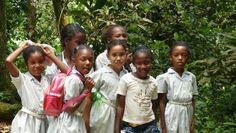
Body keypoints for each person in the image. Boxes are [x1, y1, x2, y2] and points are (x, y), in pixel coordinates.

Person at [5, 41, 68, 133]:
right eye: (33, 62)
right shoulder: (22, 80)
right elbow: (8, 61)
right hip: (27, 123)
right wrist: (22, 47)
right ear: (27, 64)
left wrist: (50, 55)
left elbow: (68, 72)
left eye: (40, 61)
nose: (37, 65)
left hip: (45, 122)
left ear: (45, 62)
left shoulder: (48, 79)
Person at [46, 45, 95, 133]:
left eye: (90, 60)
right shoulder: (74, 79)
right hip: (69, 123)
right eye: (83, 59)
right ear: (74, 60)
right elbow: (70, 108)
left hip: (74, 120)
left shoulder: (78, 76)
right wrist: (87, 90)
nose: (88, 63)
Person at [84, 39, 128, 133]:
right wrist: (86, 120)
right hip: (102, 114)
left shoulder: (127, 74)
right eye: (114, 55)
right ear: (108, 56)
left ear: (126, 55)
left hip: (120, 114)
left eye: (121, 54)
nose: (118, 58)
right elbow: (89, 95)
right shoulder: (101, 73)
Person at [115, 45, 159, 133]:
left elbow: (153, 105)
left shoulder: (154, 82)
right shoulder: (126, 79)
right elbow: (120, 106)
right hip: (129, 125)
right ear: (133, 63)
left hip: (149, 125)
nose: (143, 66)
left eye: (147, 63)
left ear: (151, 62)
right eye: (139, 63)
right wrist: (116, 129)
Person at [156, 41, 198, 133]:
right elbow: (162, 102)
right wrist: (163, 126)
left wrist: (192, 123)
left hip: (187, 113)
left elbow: (193, 101)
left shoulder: (191, 77)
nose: (180, 58)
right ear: (170, 57)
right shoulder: (164, 77)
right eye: (176, 55)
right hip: (172, 113)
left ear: (188, 57)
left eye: (184, 55)